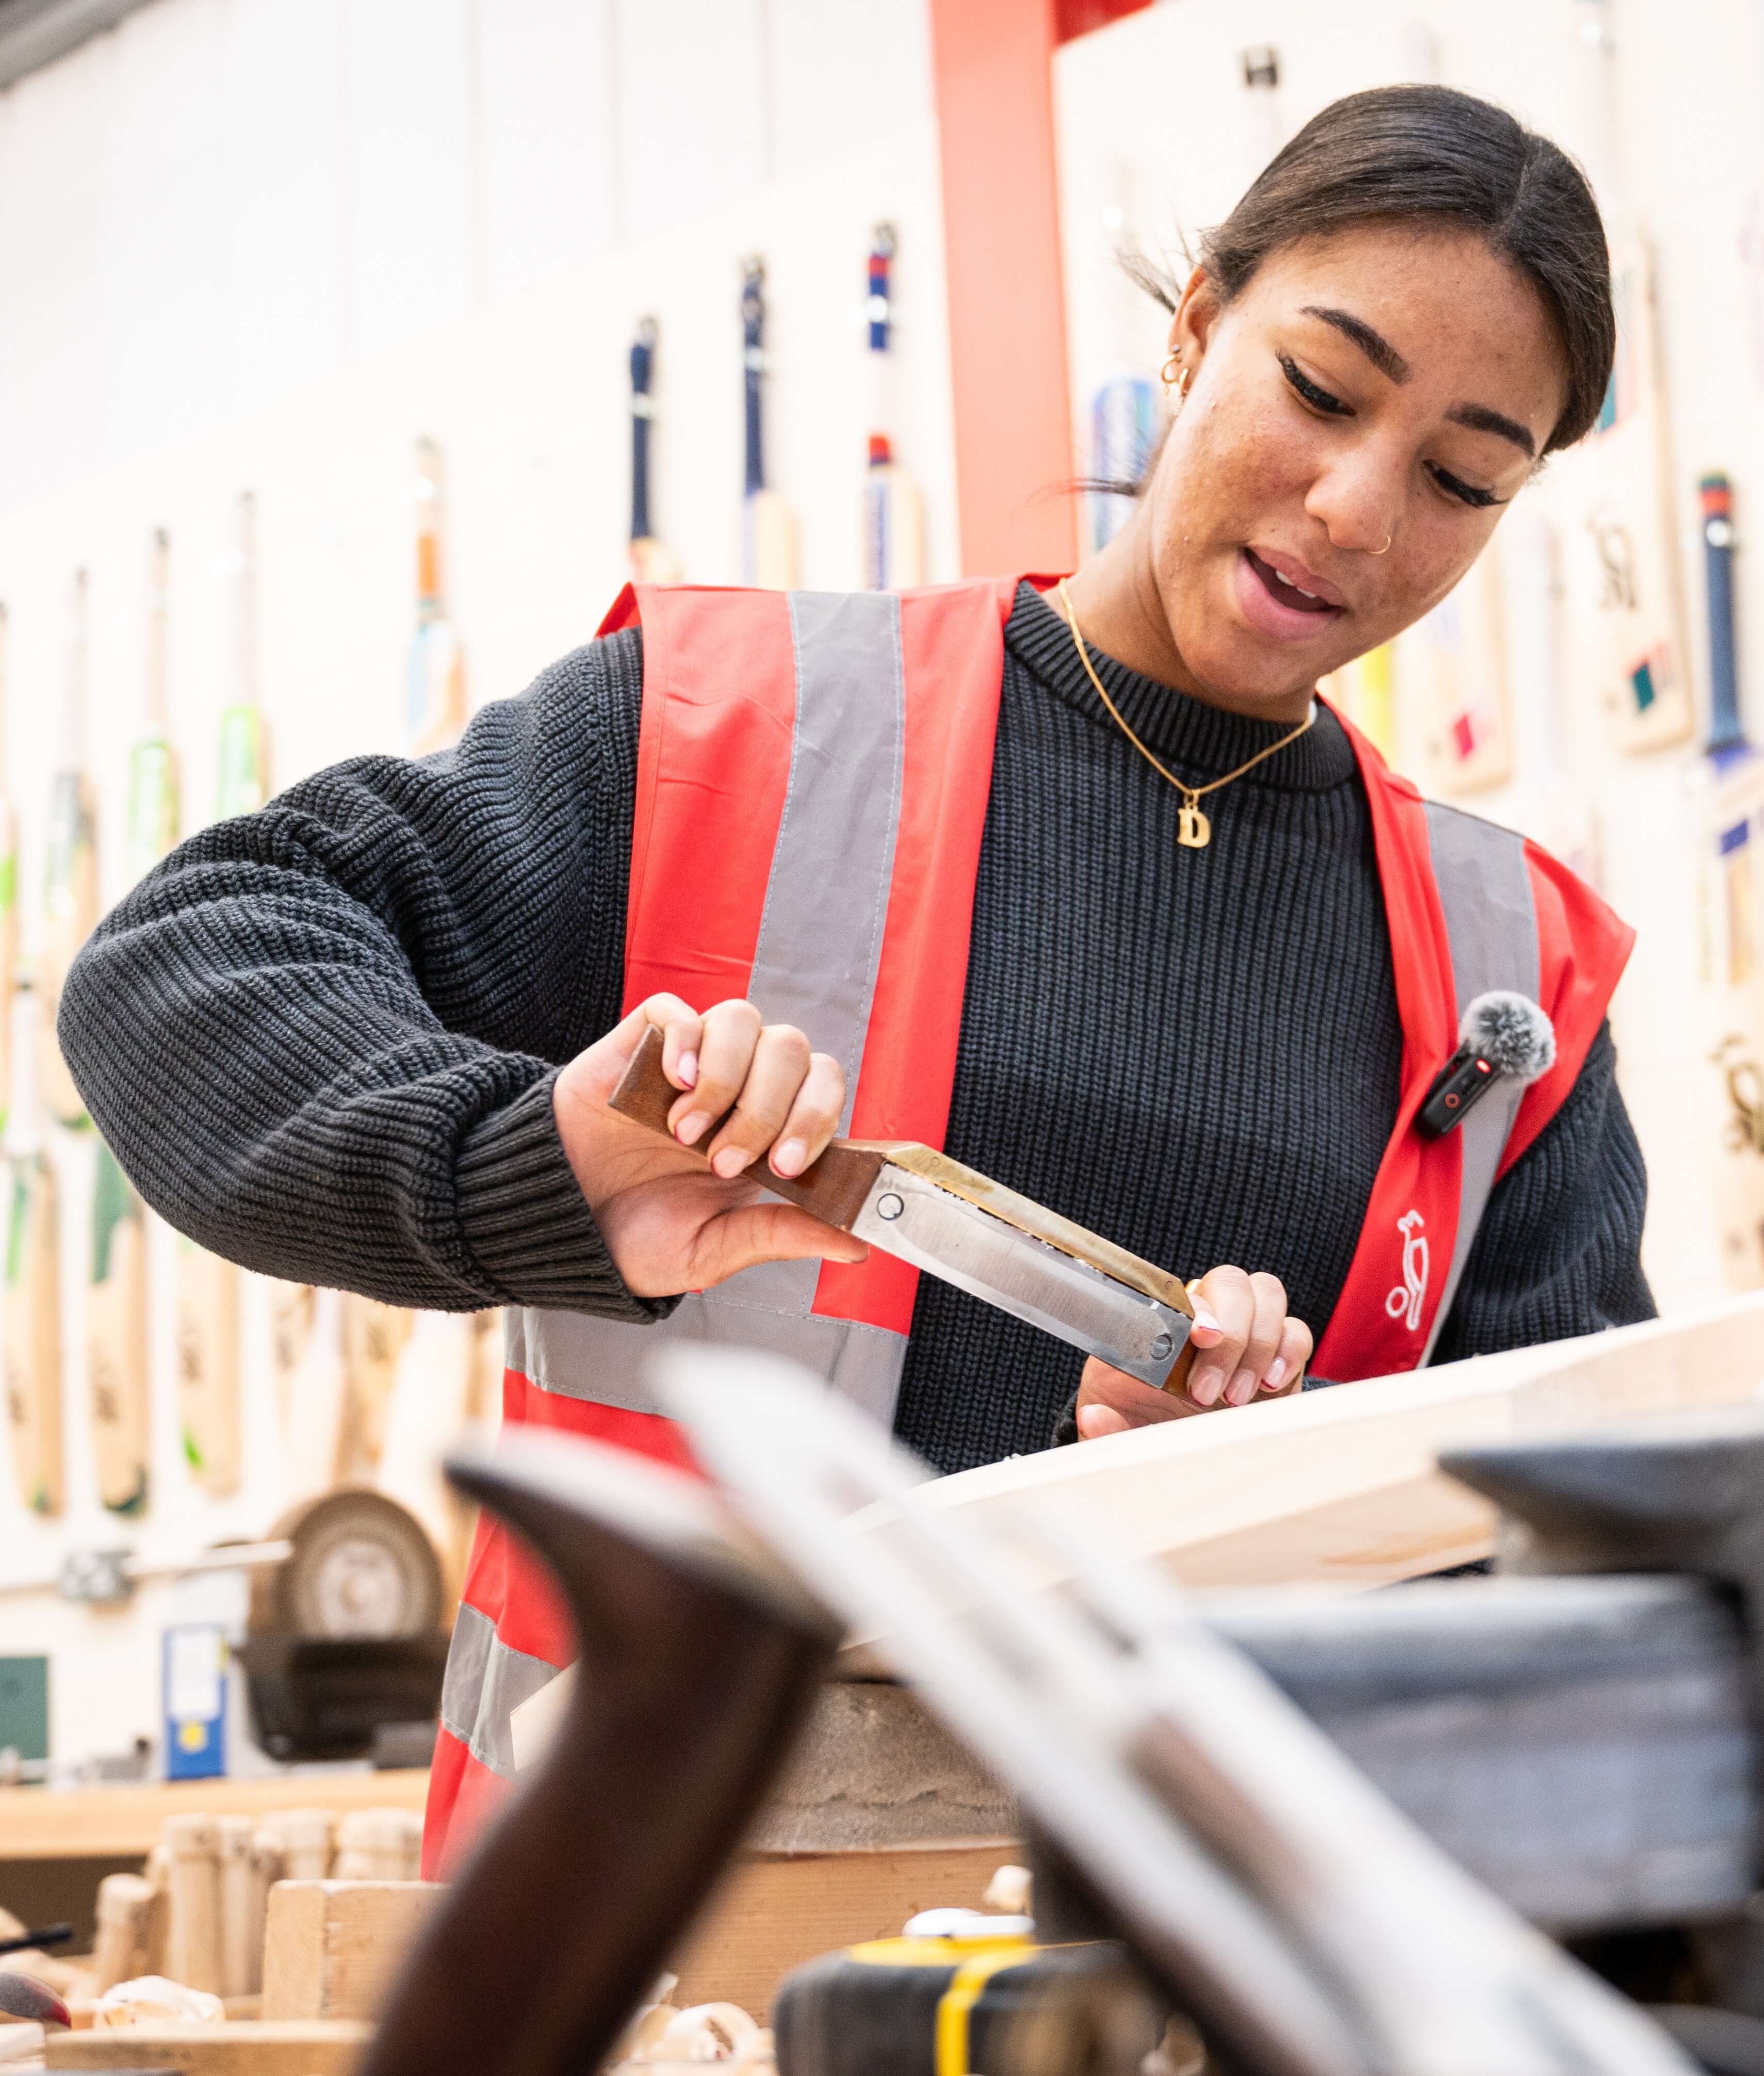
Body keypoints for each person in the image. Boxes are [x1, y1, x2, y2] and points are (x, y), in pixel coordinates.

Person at [60, 83, 1651, 1870]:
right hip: (656, 1951)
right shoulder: (736, 725)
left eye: (1459, 479)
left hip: (1187, 1971)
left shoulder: (1511, 976)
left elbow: (1566, 1576)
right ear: (1199, 321)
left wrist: (1219, 1506)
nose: (1359, 510)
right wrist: (531, 1167)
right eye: (1321, 388)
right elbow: (185, 965)